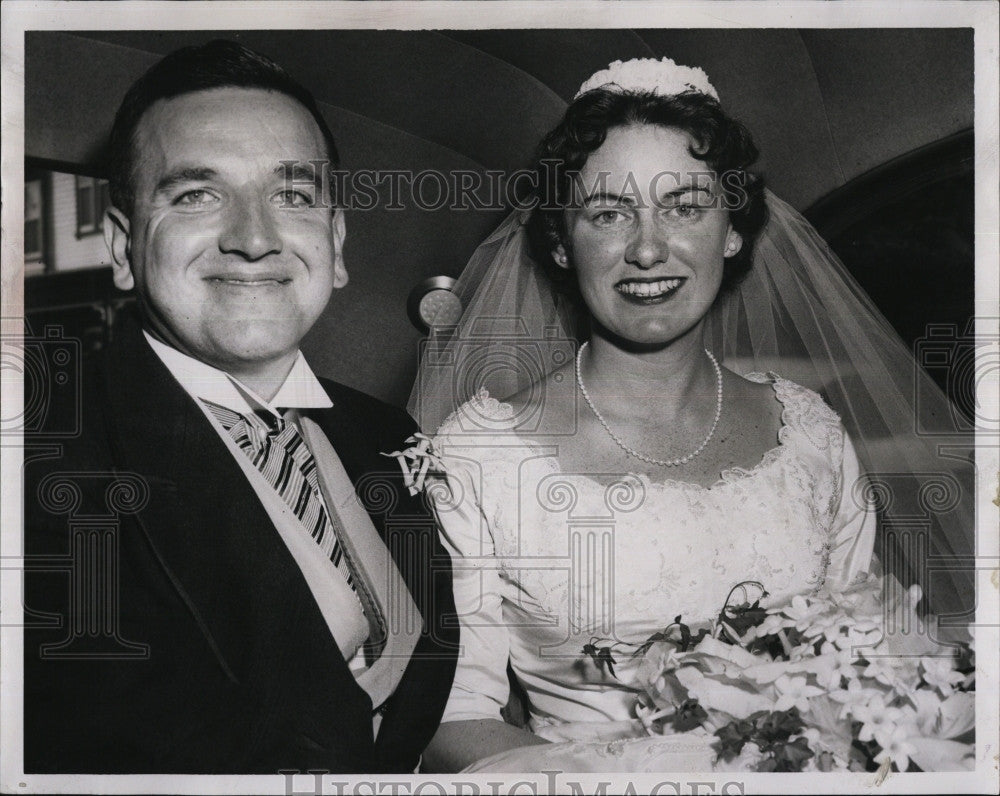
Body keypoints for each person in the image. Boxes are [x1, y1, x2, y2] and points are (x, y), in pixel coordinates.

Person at [412, 58, 975, 772]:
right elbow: (453, 716)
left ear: (733, 230)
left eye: (684, 206)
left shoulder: (810, 433)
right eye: (610, 213)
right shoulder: (477, 458)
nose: (648, 249)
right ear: (560, 240)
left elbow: (866, 659)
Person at [22, 40, 457, 774]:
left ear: (337, 242)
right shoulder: (39, 460)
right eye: (197, 194)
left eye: (292, 195)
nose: (254, 238)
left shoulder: (387, 435)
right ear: (124, 249)